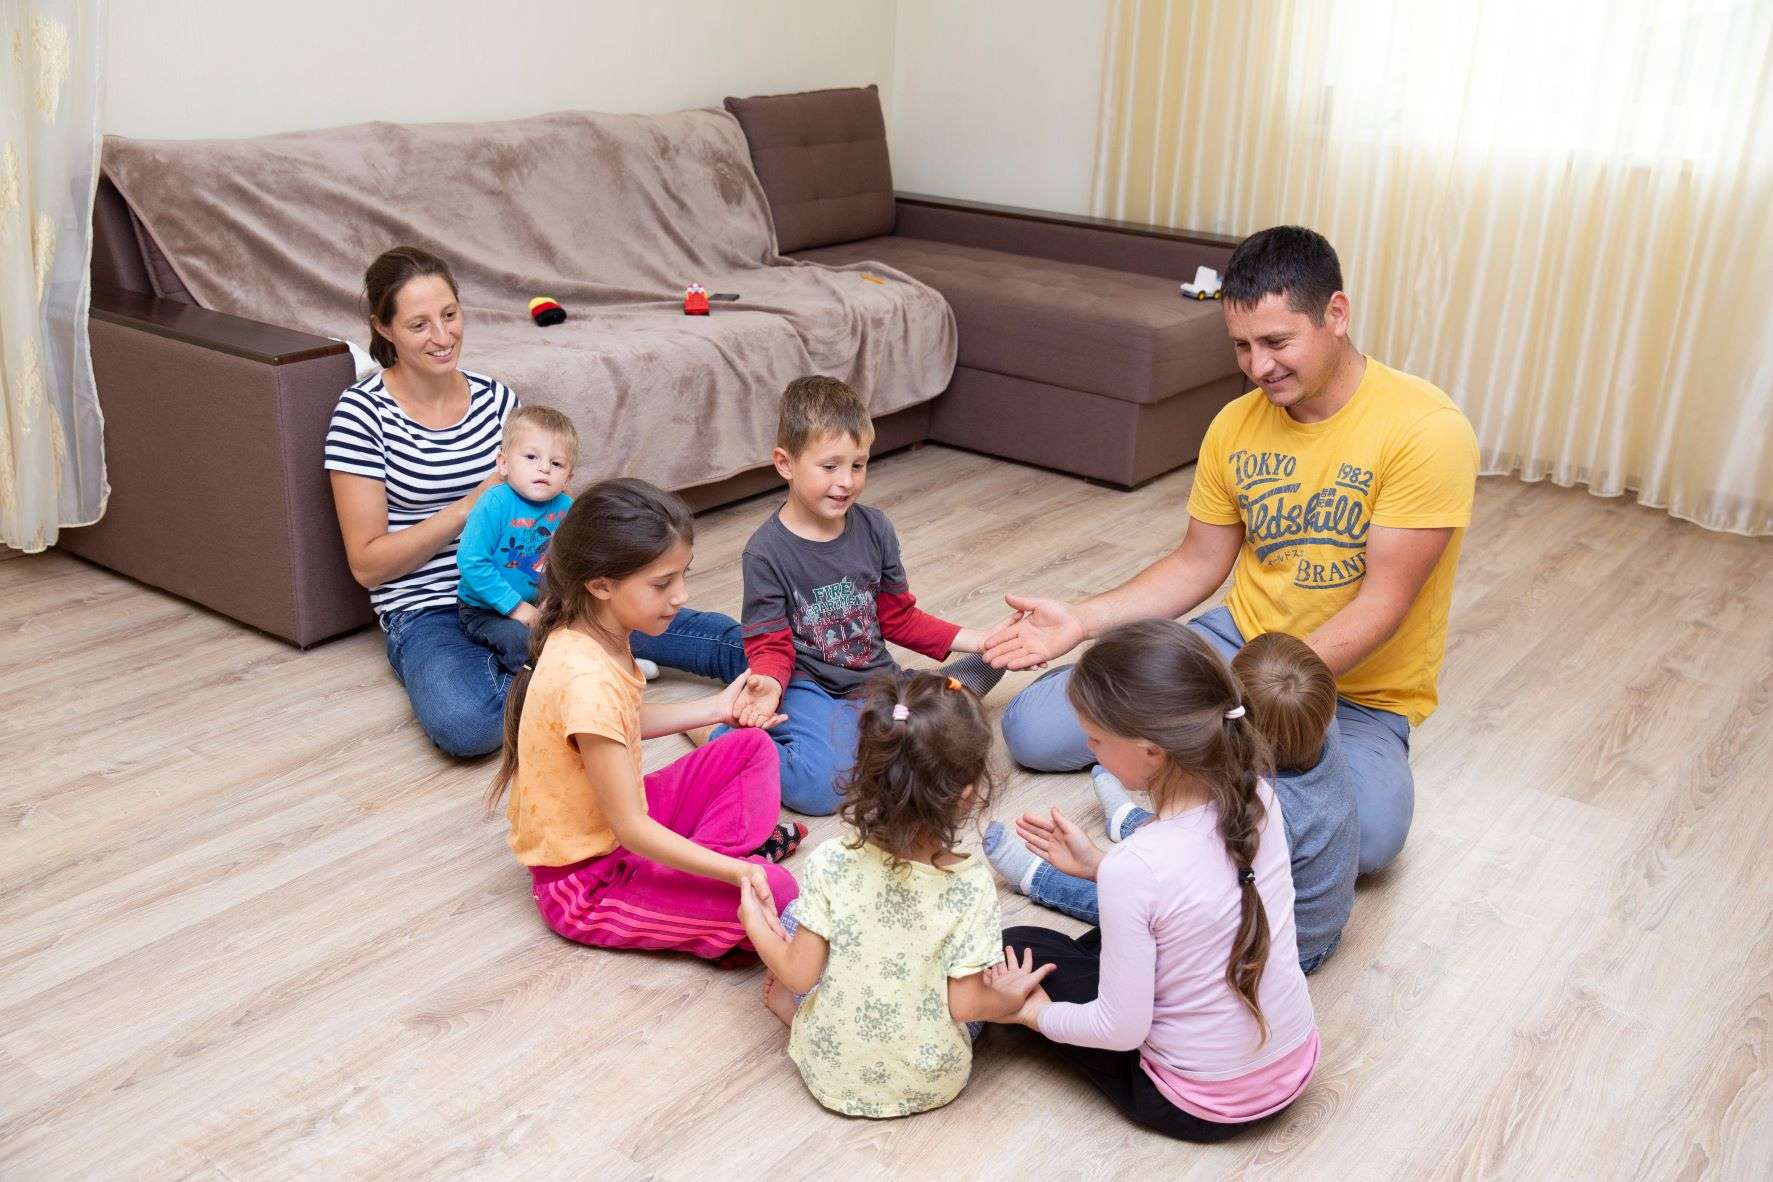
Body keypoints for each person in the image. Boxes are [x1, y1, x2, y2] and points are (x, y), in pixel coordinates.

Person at [987, 226, 1479, 874]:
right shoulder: (1235, 424)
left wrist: (1248, 699)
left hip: (1354, 693)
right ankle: (1214, 771)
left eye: (1276, 342)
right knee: (1031, 732)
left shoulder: (1424, 429)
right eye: (1241, 346)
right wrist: (1083, 620)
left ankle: (1189, 779)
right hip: (1235, 647)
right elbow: (1197, 561)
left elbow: (1382, 603)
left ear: (1335, 314)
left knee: (1369, 839)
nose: (1256, 367)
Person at [324, 246, 744, 757]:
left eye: (450, 315)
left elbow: (548, 511)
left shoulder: (498, 401)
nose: (442, 337)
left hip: (531, 595)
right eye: (419, 325)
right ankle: (588, 675)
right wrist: (470, 505)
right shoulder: (361, 415)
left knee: (730, 644)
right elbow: (368, 565)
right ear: (383, 328)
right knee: (467, 725)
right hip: (428, 608)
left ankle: (562, 666)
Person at [993, 620, 1319, 1142]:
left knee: (1020, 946)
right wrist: (1098, 865)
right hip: (1293, 1063)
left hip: (1194, 1102)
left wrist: (1035, 1015)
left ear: (1151, 751)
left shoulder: (1138, 868)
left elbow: (1120, 1030)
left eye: (1095, 739)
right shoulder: (1258, 797)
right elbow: (1202, 895)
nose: (1089, 748)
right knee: (1109, 938)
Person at [488, 478, 803, 961]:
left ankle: (699, 867)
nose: (680, 596)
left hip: (616, 824)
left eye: (681, 575)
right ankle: (721, 865)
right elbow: (632, 828)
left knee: (751, 748)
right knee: (777, 894)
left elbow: (623, 721)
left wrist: (719, 708)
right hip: (588, 881)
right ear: (601, 584)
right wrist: (736, 872)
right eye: (662, 583)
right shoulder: (585, 677)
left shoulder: (592, 629)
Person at [735, 670, 1053, 1118]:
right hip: (933, 1081)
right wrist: (1009, 998)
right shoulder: (970, 885)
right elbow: (964, 1005)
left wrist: (754, 924)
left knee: (792, 920)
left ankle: (797, 1018)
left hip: (828, 1069)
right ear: (968, 793)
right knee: (978, 980)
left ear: (865, 772)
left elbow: (799, 974)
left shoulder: (831, 861)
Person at [985, 631, 1357, 974]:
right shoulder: (1324, 730)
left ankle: (1040, 879)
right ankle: (1129, 821)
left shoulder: (1265, 808)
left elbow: (1193, 904)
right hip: (1323, 928)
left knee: (1137, 907)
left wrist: (1103, 867)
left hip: (1280, 952)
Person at [719, 376, 1003, 814]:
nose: (846, 481)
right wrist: (770, 685)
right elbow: (770, 642)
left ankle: (964, 677)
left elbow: (899, 619)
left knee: (951, 745)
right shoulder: (765, 552)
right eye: (829, 466)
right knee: (823, 791)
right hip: (808, 685)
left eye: (858, 465)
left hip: (872, 680)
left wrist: (982, 641)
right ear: (785, 463)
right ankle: (724, 739)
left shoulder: (876, 529)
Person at [455, 405, 660, 676]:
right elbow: (471, 563)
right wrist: (517, 608)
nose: (543, 468)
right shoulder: (494, 503)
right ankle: (550, 684)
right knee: (523, 642)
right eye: (531, 457)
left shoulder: (565, 506)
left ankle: (616, 668)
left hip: (544, 601)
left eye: (556, 463)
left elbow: (573, 558)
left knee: (597, 622)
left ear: (568, 476)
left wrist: (563, 600)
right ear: (503, 463)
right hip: (486, 608)